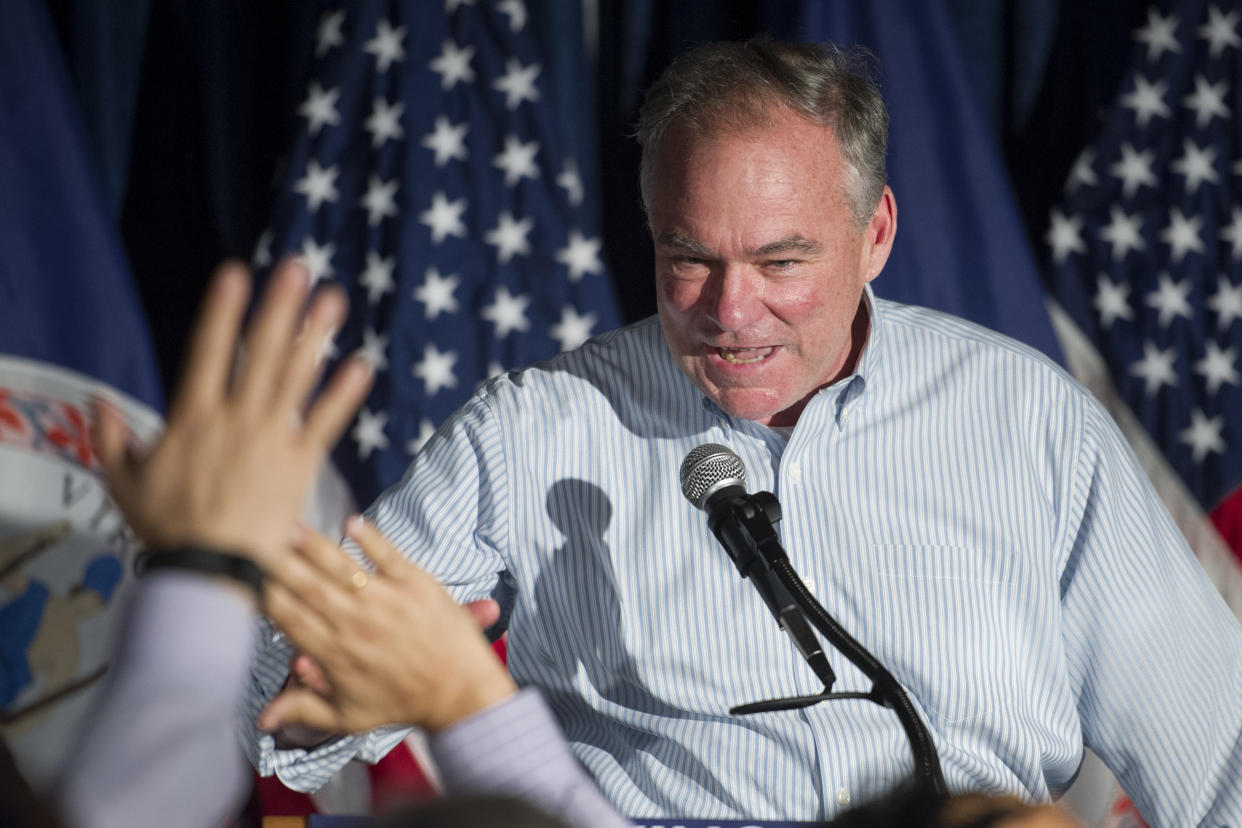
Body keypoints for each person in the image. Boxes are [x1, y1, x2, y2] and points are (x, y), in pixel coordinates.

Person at [246, 38, 1242, 823]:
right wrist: (335, 670)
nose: (730, 313)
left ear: (876, 237)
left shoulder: (1031, 422)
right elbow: (272, 696)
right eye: (691, 260)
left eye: (779, 264)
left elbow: (1217, 756)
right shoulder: (536, 430)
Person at [49, 260, 626, 828]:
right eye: (687, 259)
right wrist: (455, 698)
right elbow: (288, 698)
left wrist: (200, 575)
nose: (722, 312)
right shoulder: (522, 427)